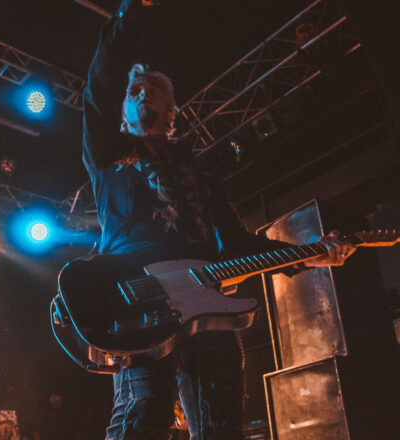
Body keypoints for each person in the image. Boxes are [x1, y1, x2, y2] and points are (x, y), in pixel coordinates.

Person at [82, 1, 356, 438]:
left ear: (173, 112)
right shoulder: (109, 157)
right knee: (143, 416)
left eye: (154, 89)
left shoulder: (201, 170)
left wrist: (311, 256)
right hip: (141, 303)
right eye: (134, 90)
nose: (142, 92)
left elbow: (238, 243)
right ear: (121, 114)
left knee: (221, 426)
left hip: (209, 307)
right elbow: (99, 84)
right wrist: (132, 12)